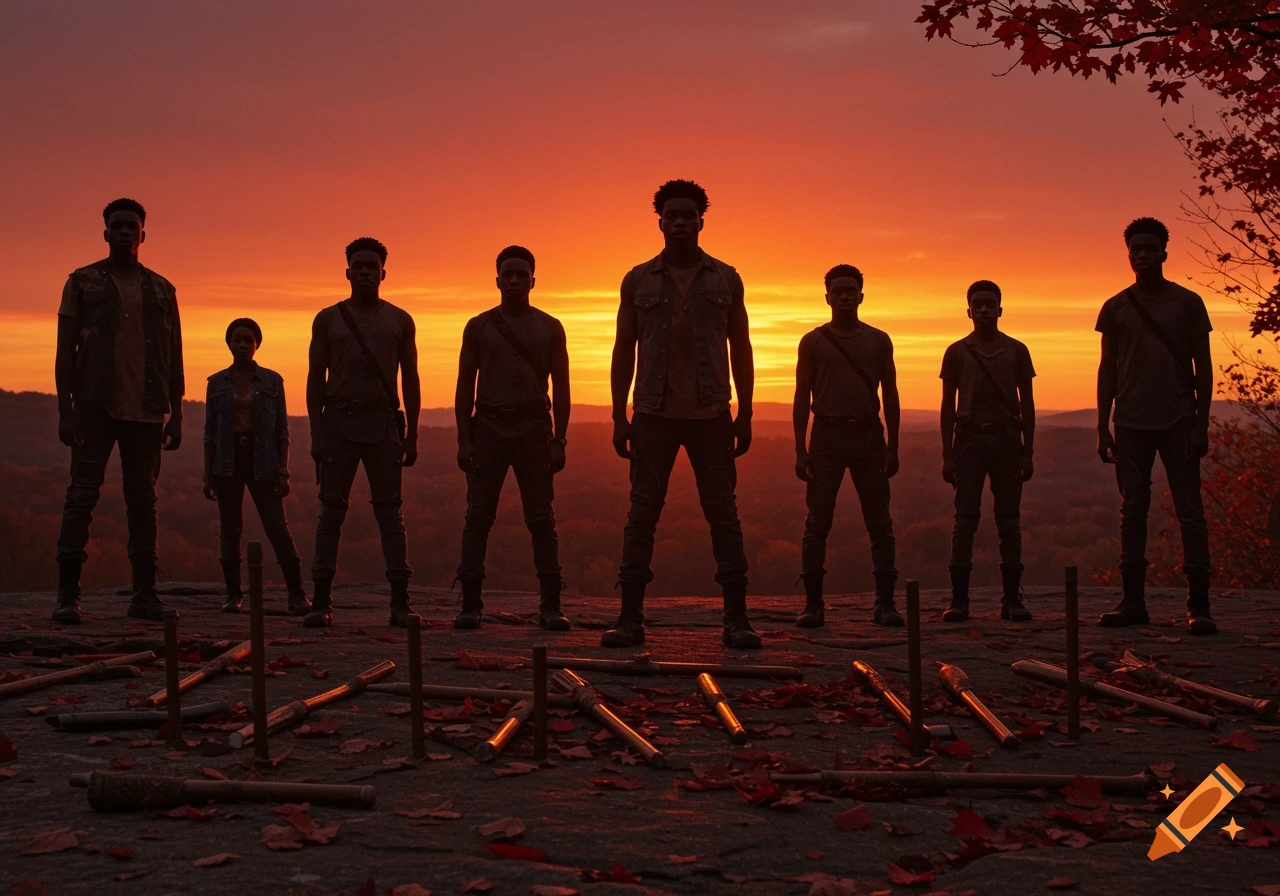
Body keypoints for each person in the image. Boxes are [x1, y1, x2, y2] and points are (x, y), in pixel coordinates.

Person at [605, 179, 760, 650]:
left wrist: (746, 411)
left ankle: (737, 621)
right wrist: (618, 415)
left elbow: (742, 347)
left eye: (687, 216)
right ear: (660, 221)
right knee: (642, 516)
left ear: (701, 221)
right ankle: (630, 619)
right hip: (653, 414)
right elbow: (622, 349)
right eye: (671, 216)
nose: (679, 222)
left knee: (724, 517)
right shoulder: (637, 279)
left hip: (711, 414)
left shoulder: (726, 278)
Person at [53, 198, 184, 624]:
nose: (125, 232)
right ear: (105, 232)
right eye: (118, 226)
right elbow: (64, 351)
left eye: (132, 226)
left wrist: (176, 410)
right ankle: (67, 596)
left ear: (143, 234)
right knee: (82, 496)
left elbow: (173, 353)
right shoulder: (81, 282)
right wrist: (65, 411)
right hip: (93, 405)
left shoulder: (163, 289)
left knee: (143, 502)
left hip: (147, 410)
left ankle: (144, 595)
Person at [1096, 217, 1216, 634]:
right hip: (1129, 422)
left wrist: (1201, 425)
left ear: (1165, 252)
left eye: (1151, 248)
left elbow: (1204, 369)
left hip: (1179, 418)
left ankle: (1199, 605)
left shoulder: (1188, 303)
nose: (1144, 255)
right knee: (1133, 511)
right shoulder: (1115, 307)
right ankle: (1133, 602)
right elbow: (1106, 370)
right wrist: (1101, 424)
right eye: (1137, 249)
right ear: (1128, 254)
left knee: (1190, 510)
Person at [453, 246, 571, 630]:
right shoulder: (478, 326)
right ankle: (470, 605)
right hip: (488, 429)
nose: (516, 280)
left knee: (541, 519)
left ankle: (551, 607)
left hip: (534, 431)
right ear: (498, 280)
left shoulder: (550, 327)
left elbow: (564, 388)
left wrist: (560, 440)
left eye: (522, 274)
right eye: (509, 274)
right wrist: (463, 440)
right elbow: (463, 388)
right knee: (478, 517)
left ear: (533, 280)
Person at [305, 238, 421, 628]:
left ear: (384, 273)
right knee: (330, 512)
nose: (367, 272)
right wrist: (317, 434)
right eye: (360, 266)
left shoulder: (400, 321)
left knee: (391, 515)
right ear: (348, 272)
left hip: (383, 425)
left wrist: (413, 434)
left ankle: (400, 602)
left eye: (373, 266)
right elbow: (314, 379)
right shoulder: (327, 319)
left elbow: (411, 379)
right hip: (338, 423)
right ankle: (321, 600)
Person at [793, 265, 903, 628]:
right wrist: (800, 449)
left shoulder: (878, 340)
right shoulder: (812, 342)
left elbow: (890, 394)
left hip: (869, 438)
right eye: (837, 291)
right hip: (825, 438)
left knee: (879, 522)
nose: (843, 296)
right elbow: (800, 396)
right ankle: (813, 605)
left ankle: (885, 604)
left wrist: (893, 447)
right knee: (817, 522)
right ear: (827, 297)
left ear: (861, 295)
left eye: (850, 290)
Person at [938, 281, 1036, 622]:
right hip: (968, 443)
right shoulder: (956, 352)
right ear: (968, 310)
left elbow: (1028, 405)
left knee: (1009, 522)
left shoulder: (1017, 351)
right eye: (977, 304)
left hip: (1008, 442)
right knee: (964, 522)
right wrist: (947, 454)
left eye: (989, 304)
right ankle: (959, 601)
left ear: (1000, 309)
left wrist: (1028, 452)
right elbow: (947, 408)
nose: (983, 309)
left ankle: (1012, 600)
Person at [202, 319, 309, 616]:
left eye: (248, 340)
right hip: (227, 460)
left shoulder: (273, 381)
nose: (242, 345)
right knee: (230, 530)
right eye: (237, 340)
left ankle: (297, 596)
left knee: (278, 528)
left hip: (263, 460)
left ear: (257, 344)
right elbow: (210, 431)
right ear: (229, 344)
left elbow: (282, 431)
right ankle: (233, 596)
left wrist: (283, 471)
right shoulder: (216, 383)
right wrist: (207, 474)